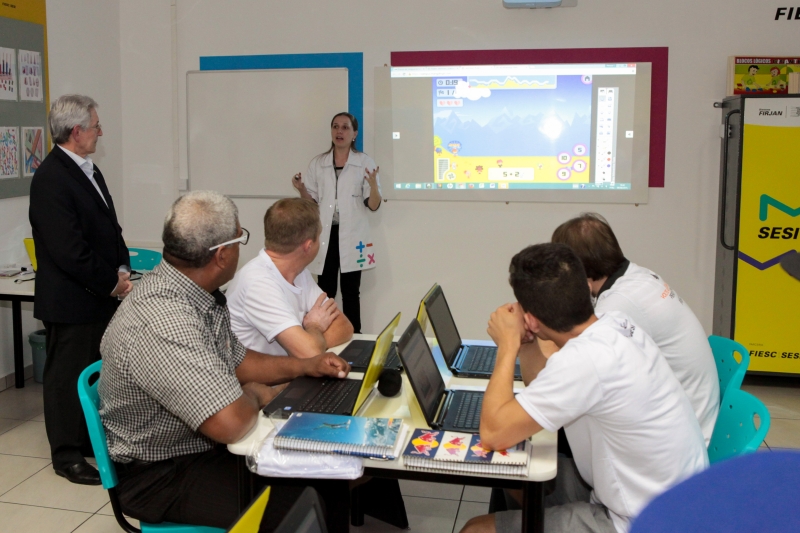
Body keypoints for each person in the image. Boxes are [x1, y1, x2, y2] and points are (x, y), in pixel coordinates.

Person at [98, 191, 352, 529]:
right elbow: (231, 424)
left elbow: (239, 361)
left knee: (326, 472)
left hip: (196, 445)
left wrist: (304, 366)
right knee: (306, 500)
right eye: (239, 239)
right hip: (164, 472)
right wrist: (259, 394)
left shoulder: (192, 293)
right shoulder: (164, 321)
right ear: (221, 255)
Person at [461, 243, 708, 533]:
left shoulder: (585, 362)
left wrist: (507, 345)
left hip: (647, 522)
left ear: (532, 319)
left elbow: (493, 434)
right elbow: (543, 386)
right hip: (676, 499)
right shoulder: (615, 323)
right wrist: (526, 343)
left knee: (475, 529)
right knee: (514, 477)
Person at [29, 94, 133, 485]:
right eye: (95, 126)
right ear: (77, 132)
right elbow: (68, 249)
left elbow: (110, 227)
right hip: (72, 300)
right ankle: (66, 454)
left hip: (99, 297)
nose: (100, 131)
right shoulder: (51, 178)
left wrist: (123, 265)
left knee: (94, 375)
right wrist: (111, 282)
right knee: (65, 377)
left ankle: (87, 438)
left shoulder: (89, 169)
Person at [551, 213, 719, 445]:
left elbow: (576, 368)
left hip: (681, 438)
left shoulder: (619, 302)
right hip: (689, 415)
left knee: (553, 428)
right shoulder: (636, 275)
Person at [227, 198, 354, 358]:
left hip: (291, 375)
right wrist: (314, 327)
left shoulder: (299, 272)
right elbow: (310, 353)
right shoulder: (259, 283)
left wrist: (310, 341)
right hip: (266, 382)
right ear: (308, 246)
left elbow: (343, 326)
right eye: (319, 236)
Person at [291, 112, 381, 333]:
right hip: (326, 236)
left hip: (352, 237)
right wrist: (302, 189)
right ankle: (327, 335)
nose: (339, 131)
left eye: (345, 127)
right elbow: (311, 204)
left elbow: (373, 205)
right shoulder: (318, 163)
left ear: (354, 133)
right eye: (335, 127)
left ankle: (355, 337)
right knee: (325, 290)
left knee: (351, 292)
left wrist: (375, 186)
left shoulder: (364, 162)